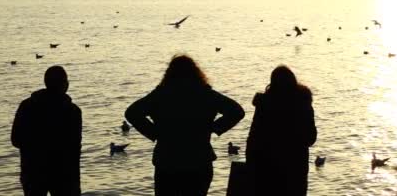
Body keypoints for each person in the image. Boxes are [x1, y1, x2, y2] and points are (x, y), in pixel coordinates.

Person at [125, 54, 245, 196]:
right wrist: (214, 127)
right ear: (196, 72)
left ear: (169, 73)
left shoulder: (161, 94)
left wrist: (154, 132)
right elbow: (237, 111)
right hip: (199, 159)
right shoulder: (205, 94)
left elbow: (132, 113)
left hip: (167, 160)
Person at [246, 65, 317, 196]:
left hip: (266, 167)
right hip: (295, 167)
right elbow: (311, 138)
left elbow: (253, 138)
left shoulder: (265, 104)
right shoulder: (303, 104)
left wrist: (250, 165)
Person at [11, 65, 82, 196]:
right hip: (64, 175)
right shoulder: (72, 111)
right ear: (64, 84)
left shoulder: (26, 106)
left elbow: (15, 140)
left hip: (33, 172)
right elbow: (74, 149)